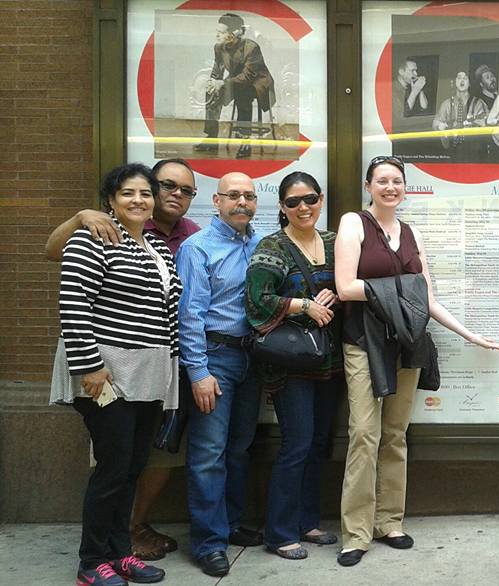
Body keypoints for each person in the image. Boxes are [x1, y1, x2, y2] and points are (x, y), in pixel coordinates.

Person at [333, 155, 499, 567]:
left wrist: (468, 334)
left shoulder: (411, 234)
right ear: (368, 185)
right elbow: (344, 287)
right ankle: (355, 534)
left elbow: (424, 298)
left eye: (397, 181)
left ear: (404, 187)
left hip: (407, 344)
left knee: (395, 434)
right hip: (364, 343)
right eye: (382, 181)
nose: (390, 187)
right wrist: (401, 287)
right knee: (364, 434)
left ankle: (389, 521)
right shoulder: (354, 223)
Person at [44, 158, 201, 561]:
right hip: (106, 374)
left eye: (145, 193)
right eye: (127, 193)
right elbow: (74, 306)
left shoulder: (153, 249)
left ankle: (120, 552)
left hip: (148, 376)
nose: (138, 200)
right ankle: (93, 561)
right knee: (112, 471)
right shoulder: (91, 238)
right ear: (110, 201)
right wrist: (89, 367)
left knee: (131, 469)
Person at [245, 171, 343, 560]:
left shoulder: (335, 243)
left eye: (310, 199)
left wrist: (337, 291)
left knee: (318, 444)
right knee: (297, 444)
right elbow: (254, 299)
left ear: (320, 200)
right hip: (290, 364)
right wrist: (303, 305)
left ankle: (307, 521)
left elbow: (353, 280)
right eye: (293, 202)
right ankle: (280, 532)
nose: (303, 207)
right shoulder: (273, 246)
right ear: (282, 208)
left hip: (330, 360)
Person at [177, 172, 264, 577]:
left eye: (248, 195)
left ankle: (228, 525)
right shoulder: (197, 248)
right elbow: (189, 314)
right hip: (215, 359)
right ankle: (208, 542)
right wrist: (198, 372)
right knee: (208, 454)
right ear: (216, 201)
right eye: (233, 196)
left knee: (239, 447)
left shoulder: (260, 244)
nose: (242, 202)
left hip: (252, 359)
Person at [194, 13, 276, 160]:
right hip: (234, 82)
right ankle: (211, 138)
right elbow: (217, 69)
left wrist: (223, 83)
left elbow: (248, 76)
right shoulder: (219, 47)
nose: (217, 35)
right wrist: (213, 82)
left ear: (235, 33)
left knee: (243, 96)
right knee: (212, 93)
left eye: (222, 32)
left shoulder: (251, 48)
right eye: (217, 31)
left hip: (257, 83)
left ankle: (246, 142)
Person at [432, 70, 488, 157]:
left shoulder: (479, 103)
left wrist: (473, 125)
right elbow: (435, 123)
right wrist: (439, 125)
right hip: (450, 153)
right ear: (454, 82)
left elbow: (486, 124)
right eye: (459, 78)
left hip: (474, 152)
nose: (462, 81)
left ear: (469, 83)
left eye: (465, 78)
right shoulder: (446, 104)